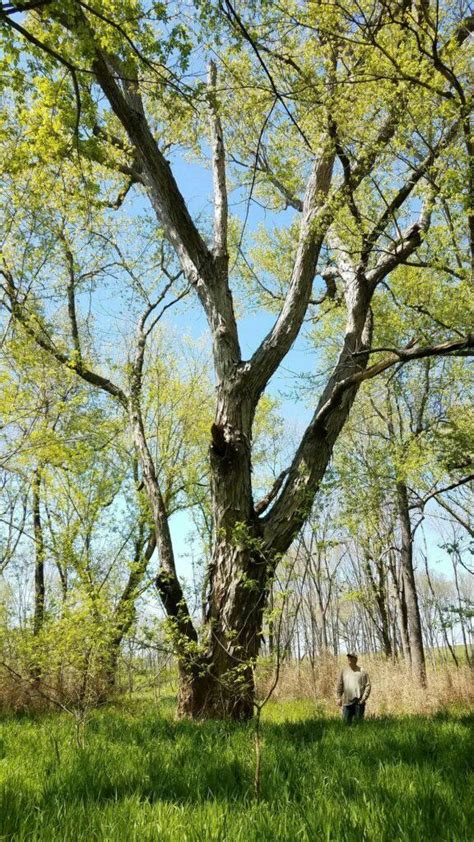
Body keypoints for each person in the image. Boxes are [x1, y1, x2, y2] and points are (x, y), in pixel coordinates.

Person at [336, 653, 371, 723]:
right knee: (346, 724)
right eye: (348, 657)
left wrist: (363, 699)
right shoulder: (344, 671)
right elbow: (340, 685)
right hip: (347, 703)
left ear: (356, 659)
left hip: (359, 702)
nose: (349, 659)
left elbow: (368, 685)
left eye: (351, 657)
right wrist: (338, 697)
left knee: (359, 725)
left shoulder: (362, 671)